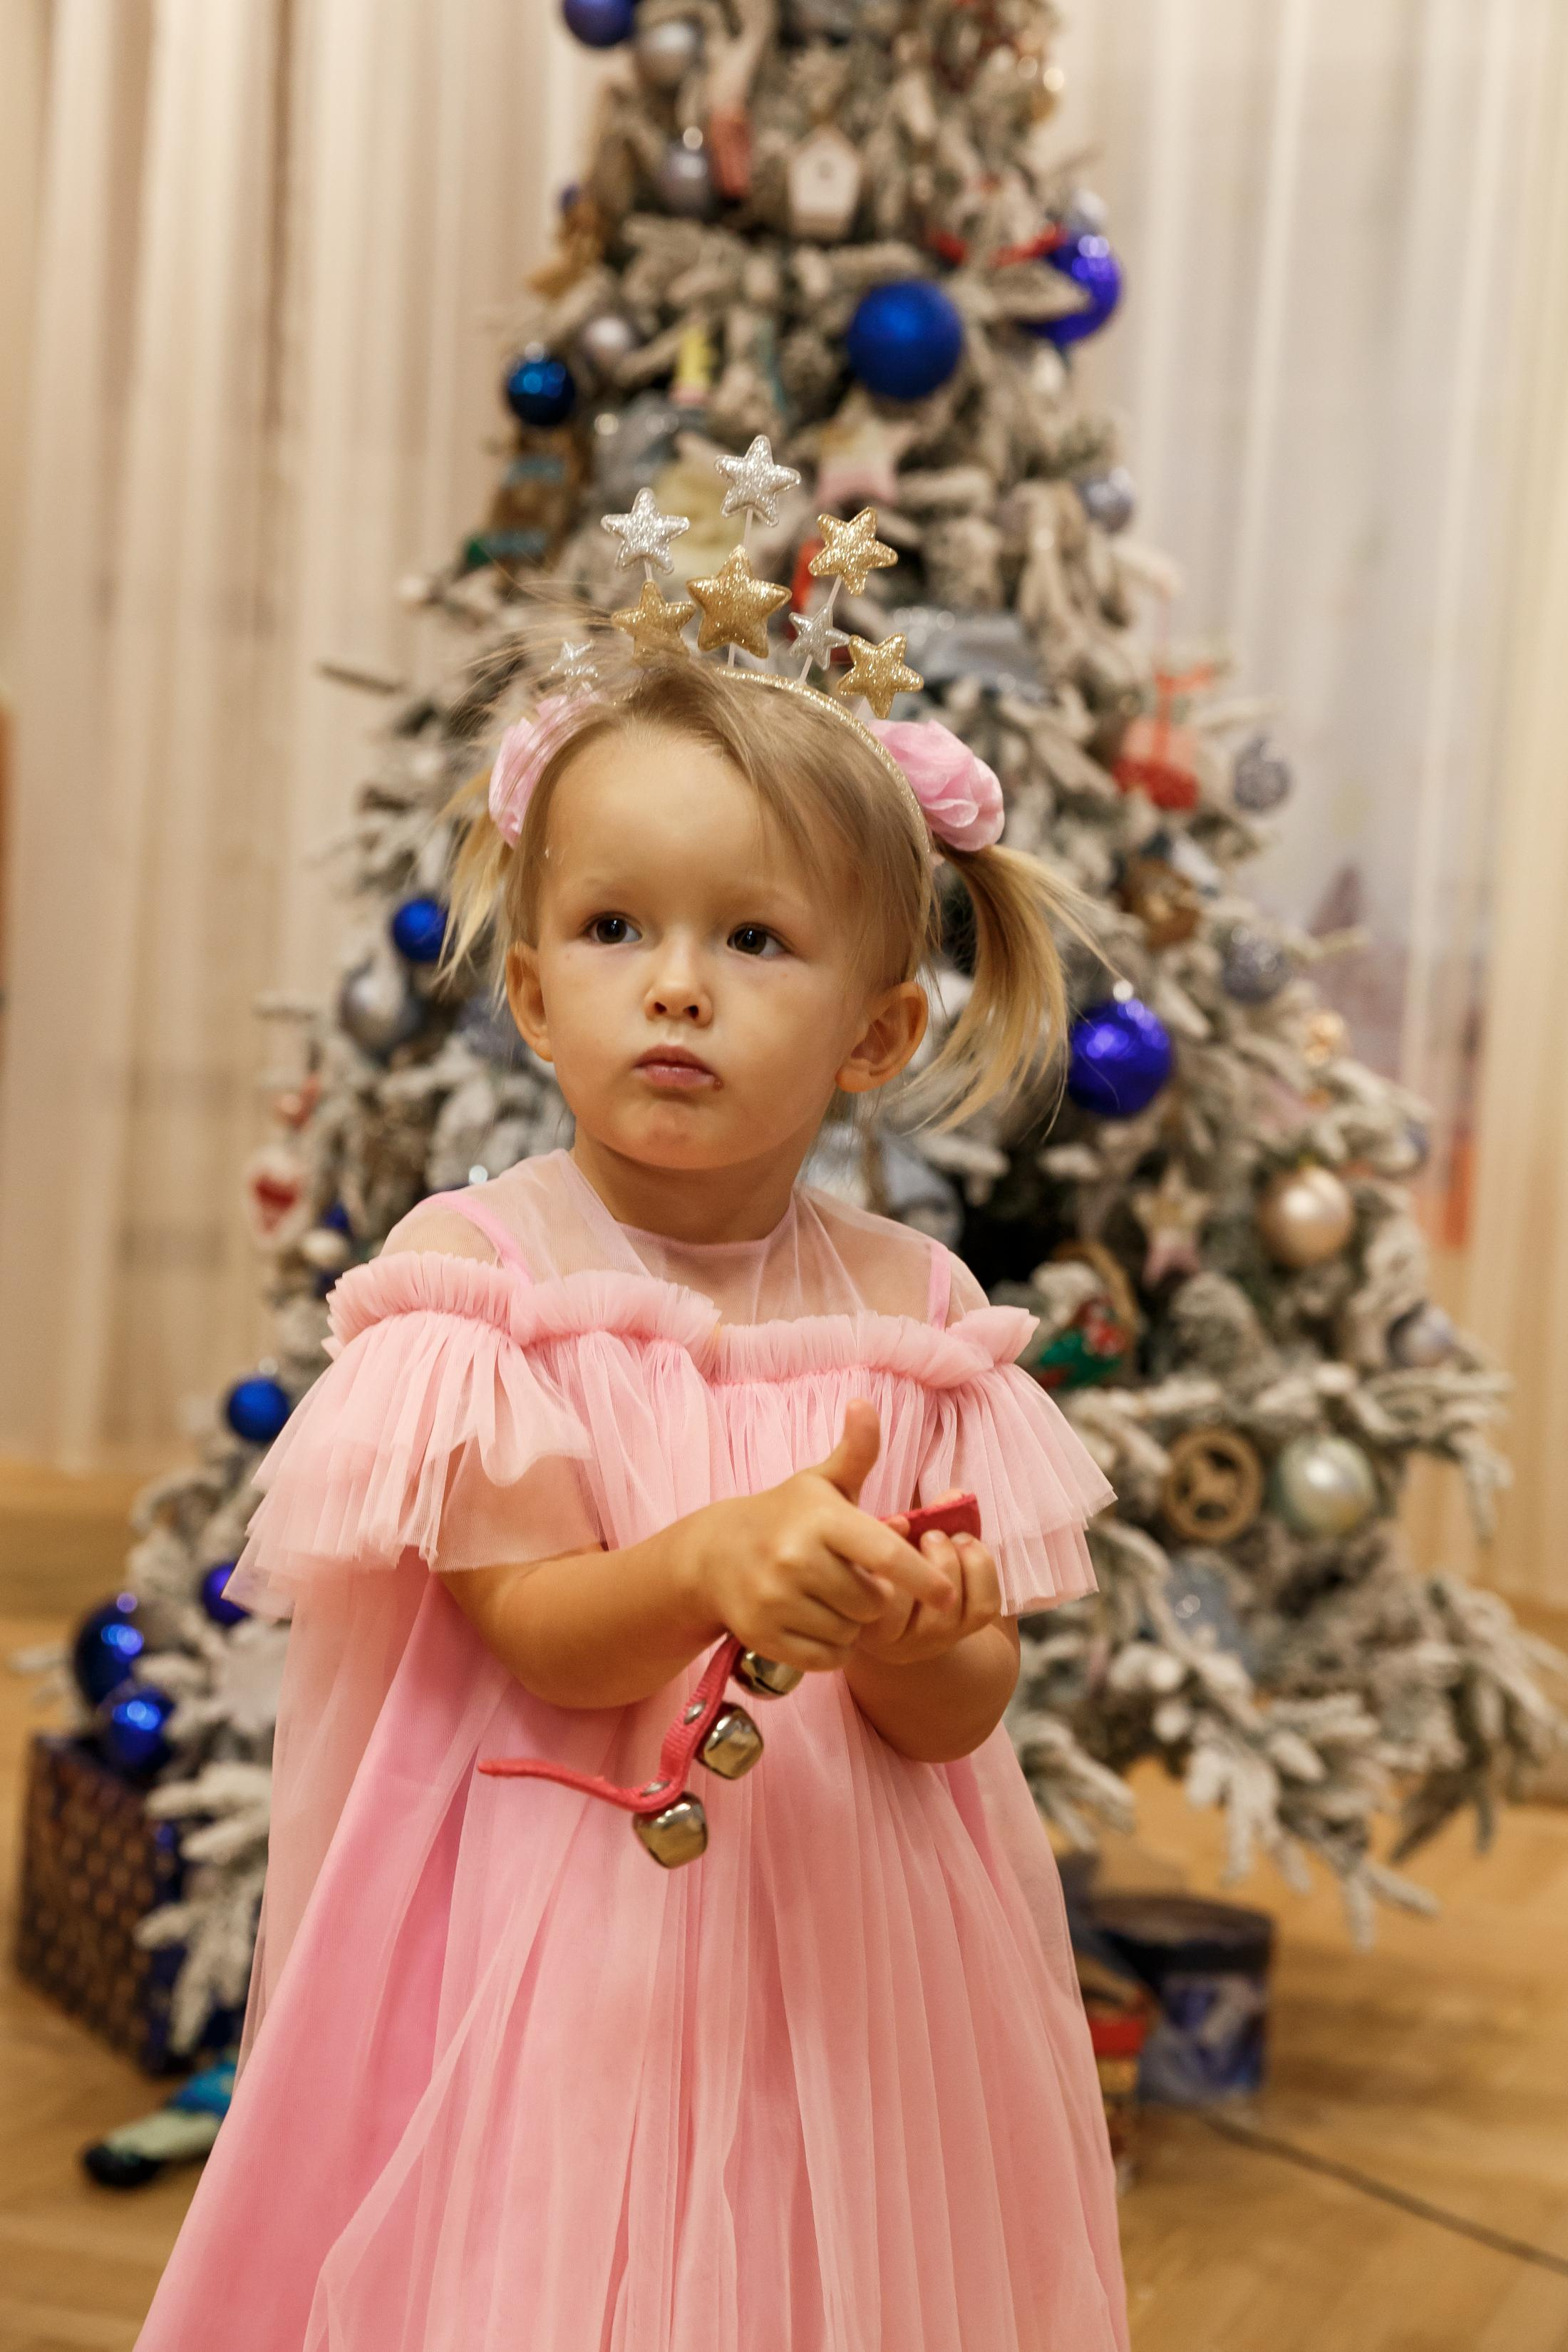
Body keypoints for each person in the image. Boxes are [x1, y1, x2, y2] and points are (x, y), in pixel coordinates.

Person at [135, 636, 1129, 2350]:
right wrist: (711, 1565)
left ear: (877, 1030)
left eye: (753, 939)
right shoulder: (478, 1285)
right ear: (531, 994)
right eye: (613, 929)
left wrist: (913, 1628)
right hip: (559, 1965)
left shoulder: (919, 1326)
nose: (676, 985)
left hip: (845, 1963)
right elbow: (544, 1637)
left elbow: (957, 1720)